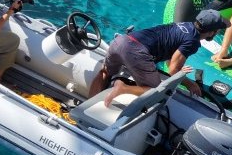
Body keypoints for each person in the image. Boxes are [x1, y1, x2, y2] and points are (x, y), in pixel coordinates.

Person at [91, 9, 223, 105]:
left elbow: (169, 52)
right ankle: (122, 88)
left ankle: (89, 103)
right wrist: (190, 84)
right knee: (156, 90)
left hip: (121, 41)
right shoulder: (192, 41)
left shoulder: (184, 25)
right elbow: (173, 70)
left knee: (105, 72)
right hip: (135, 52)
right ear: (212, 32)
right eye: (218, 30)